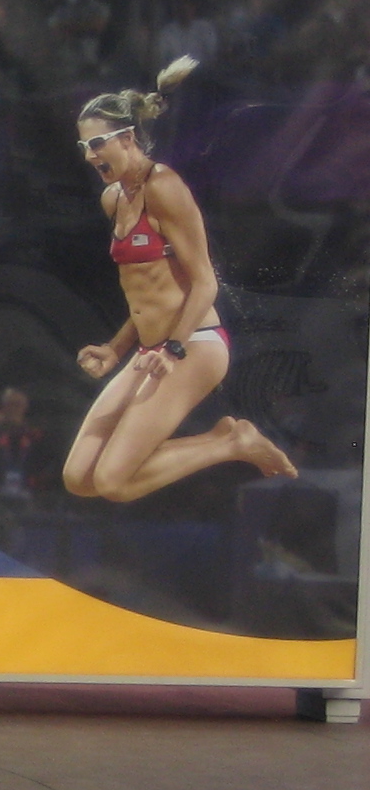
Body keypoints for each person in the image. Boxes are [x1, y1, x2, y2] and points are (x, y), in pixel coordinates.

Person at [60, 62, 296, 503]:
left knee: (112, 482)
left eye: (97, 143)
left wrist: (173, 348)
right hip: (150, 351)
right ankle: (226, 438)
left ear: (127, 139)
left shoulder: (164, 186)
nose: (90, 156)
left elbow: (205, 282)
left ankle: (231, 442)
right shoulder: (114, 198)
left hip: (194, 345)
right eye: (83, 146)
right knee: (79, 478)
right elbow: (147, 297)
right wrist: (115, 349)